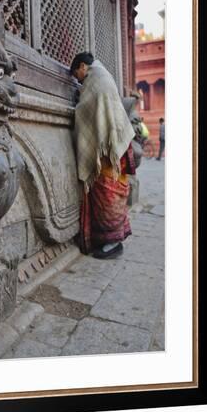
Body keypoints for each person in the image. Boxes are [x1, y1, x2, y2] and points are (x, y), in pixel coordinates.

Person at [71, 52, 136, 259]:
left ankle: (113, 242)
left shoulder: (95, 79)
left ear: (82, 66)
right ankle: (112, 240)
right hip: (117, 145)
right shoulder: (103, 75)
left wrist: (78, 102)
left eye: (76, 74)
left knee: (108, 195)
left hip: (109, 151)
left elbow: (86, 110)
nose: (78, 79)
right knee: (113, 193)